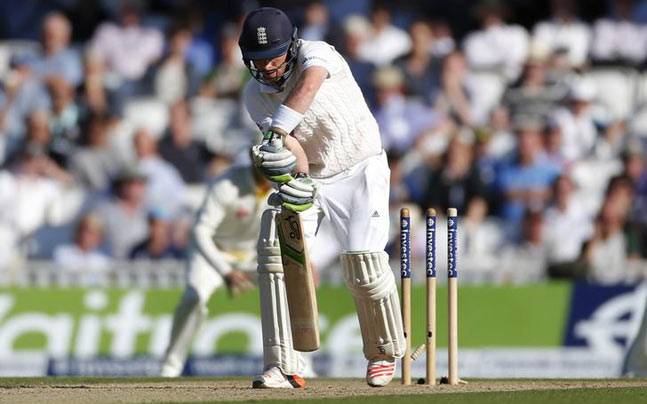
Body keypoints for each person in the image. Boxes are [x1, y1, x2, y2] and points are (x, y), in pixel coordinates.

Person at [240, 7, 405, 388]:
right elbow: (292, 148)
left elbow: (309, 86)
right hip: (314, 177)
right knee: (276, 254)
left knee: (363, 263)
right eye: (257, 60)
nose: (266, 68)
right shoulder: (254, 95)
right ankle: (284, 364)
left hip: (361, 166)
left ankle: (383, 350)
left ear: (292, 45)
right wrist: (291, 173)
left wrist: (276, 133)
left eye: (273, 57)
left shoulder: (320, 53)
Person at [159, 164, 270, 377]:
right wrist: (225, 270)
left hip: (252, 257)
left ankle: (298, 363)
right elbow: (201, 230)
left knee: (292, 287)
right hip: (213, 254)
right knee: (194, 296)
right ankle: (171, 366)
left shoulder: (284, 184)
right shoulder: (227, 184)